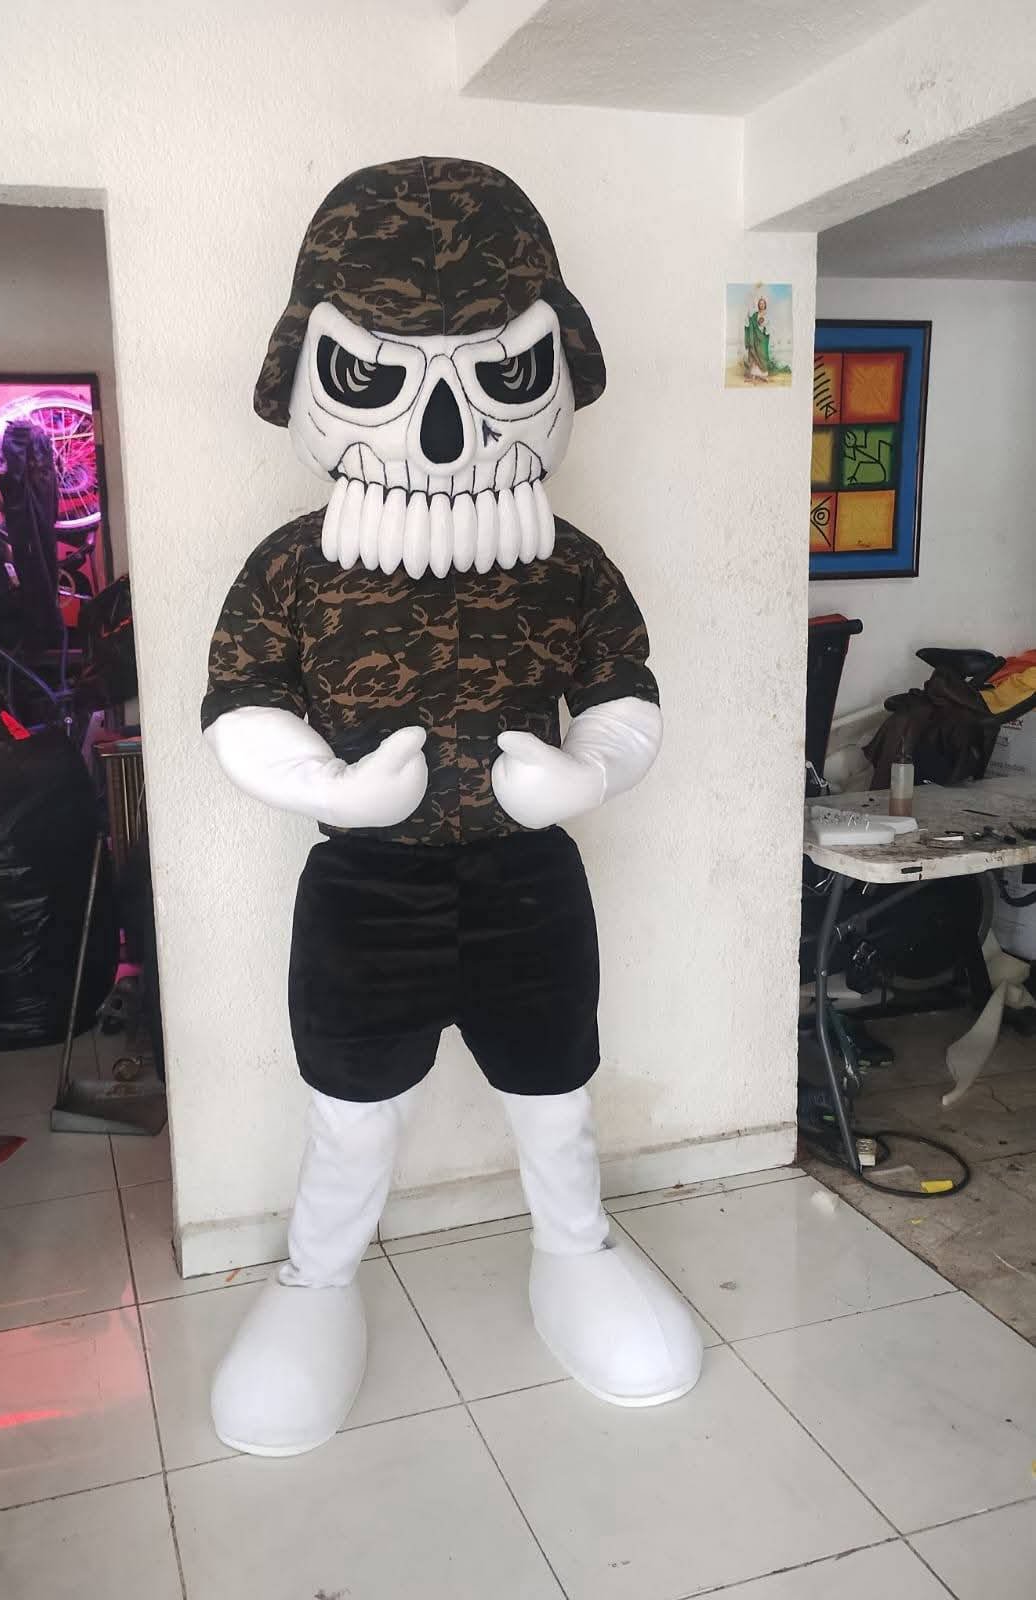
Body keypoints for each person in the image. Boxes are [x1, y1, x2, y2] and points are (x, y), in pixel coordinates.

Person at [202, 157, 703, 1457]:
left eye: (493, 376)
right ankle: (318, 1280)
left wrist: (591, 772)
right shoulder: (292, 568)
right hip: (367, 886)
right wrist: (327, 787)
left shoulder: (568, 566)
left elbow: (625, 693)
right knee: (351, 1111)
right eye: (378, 379)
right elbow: (238, 707)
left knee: (554, 1093)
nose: (437, 433)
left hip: (527, 881)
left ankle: (575, 1250)